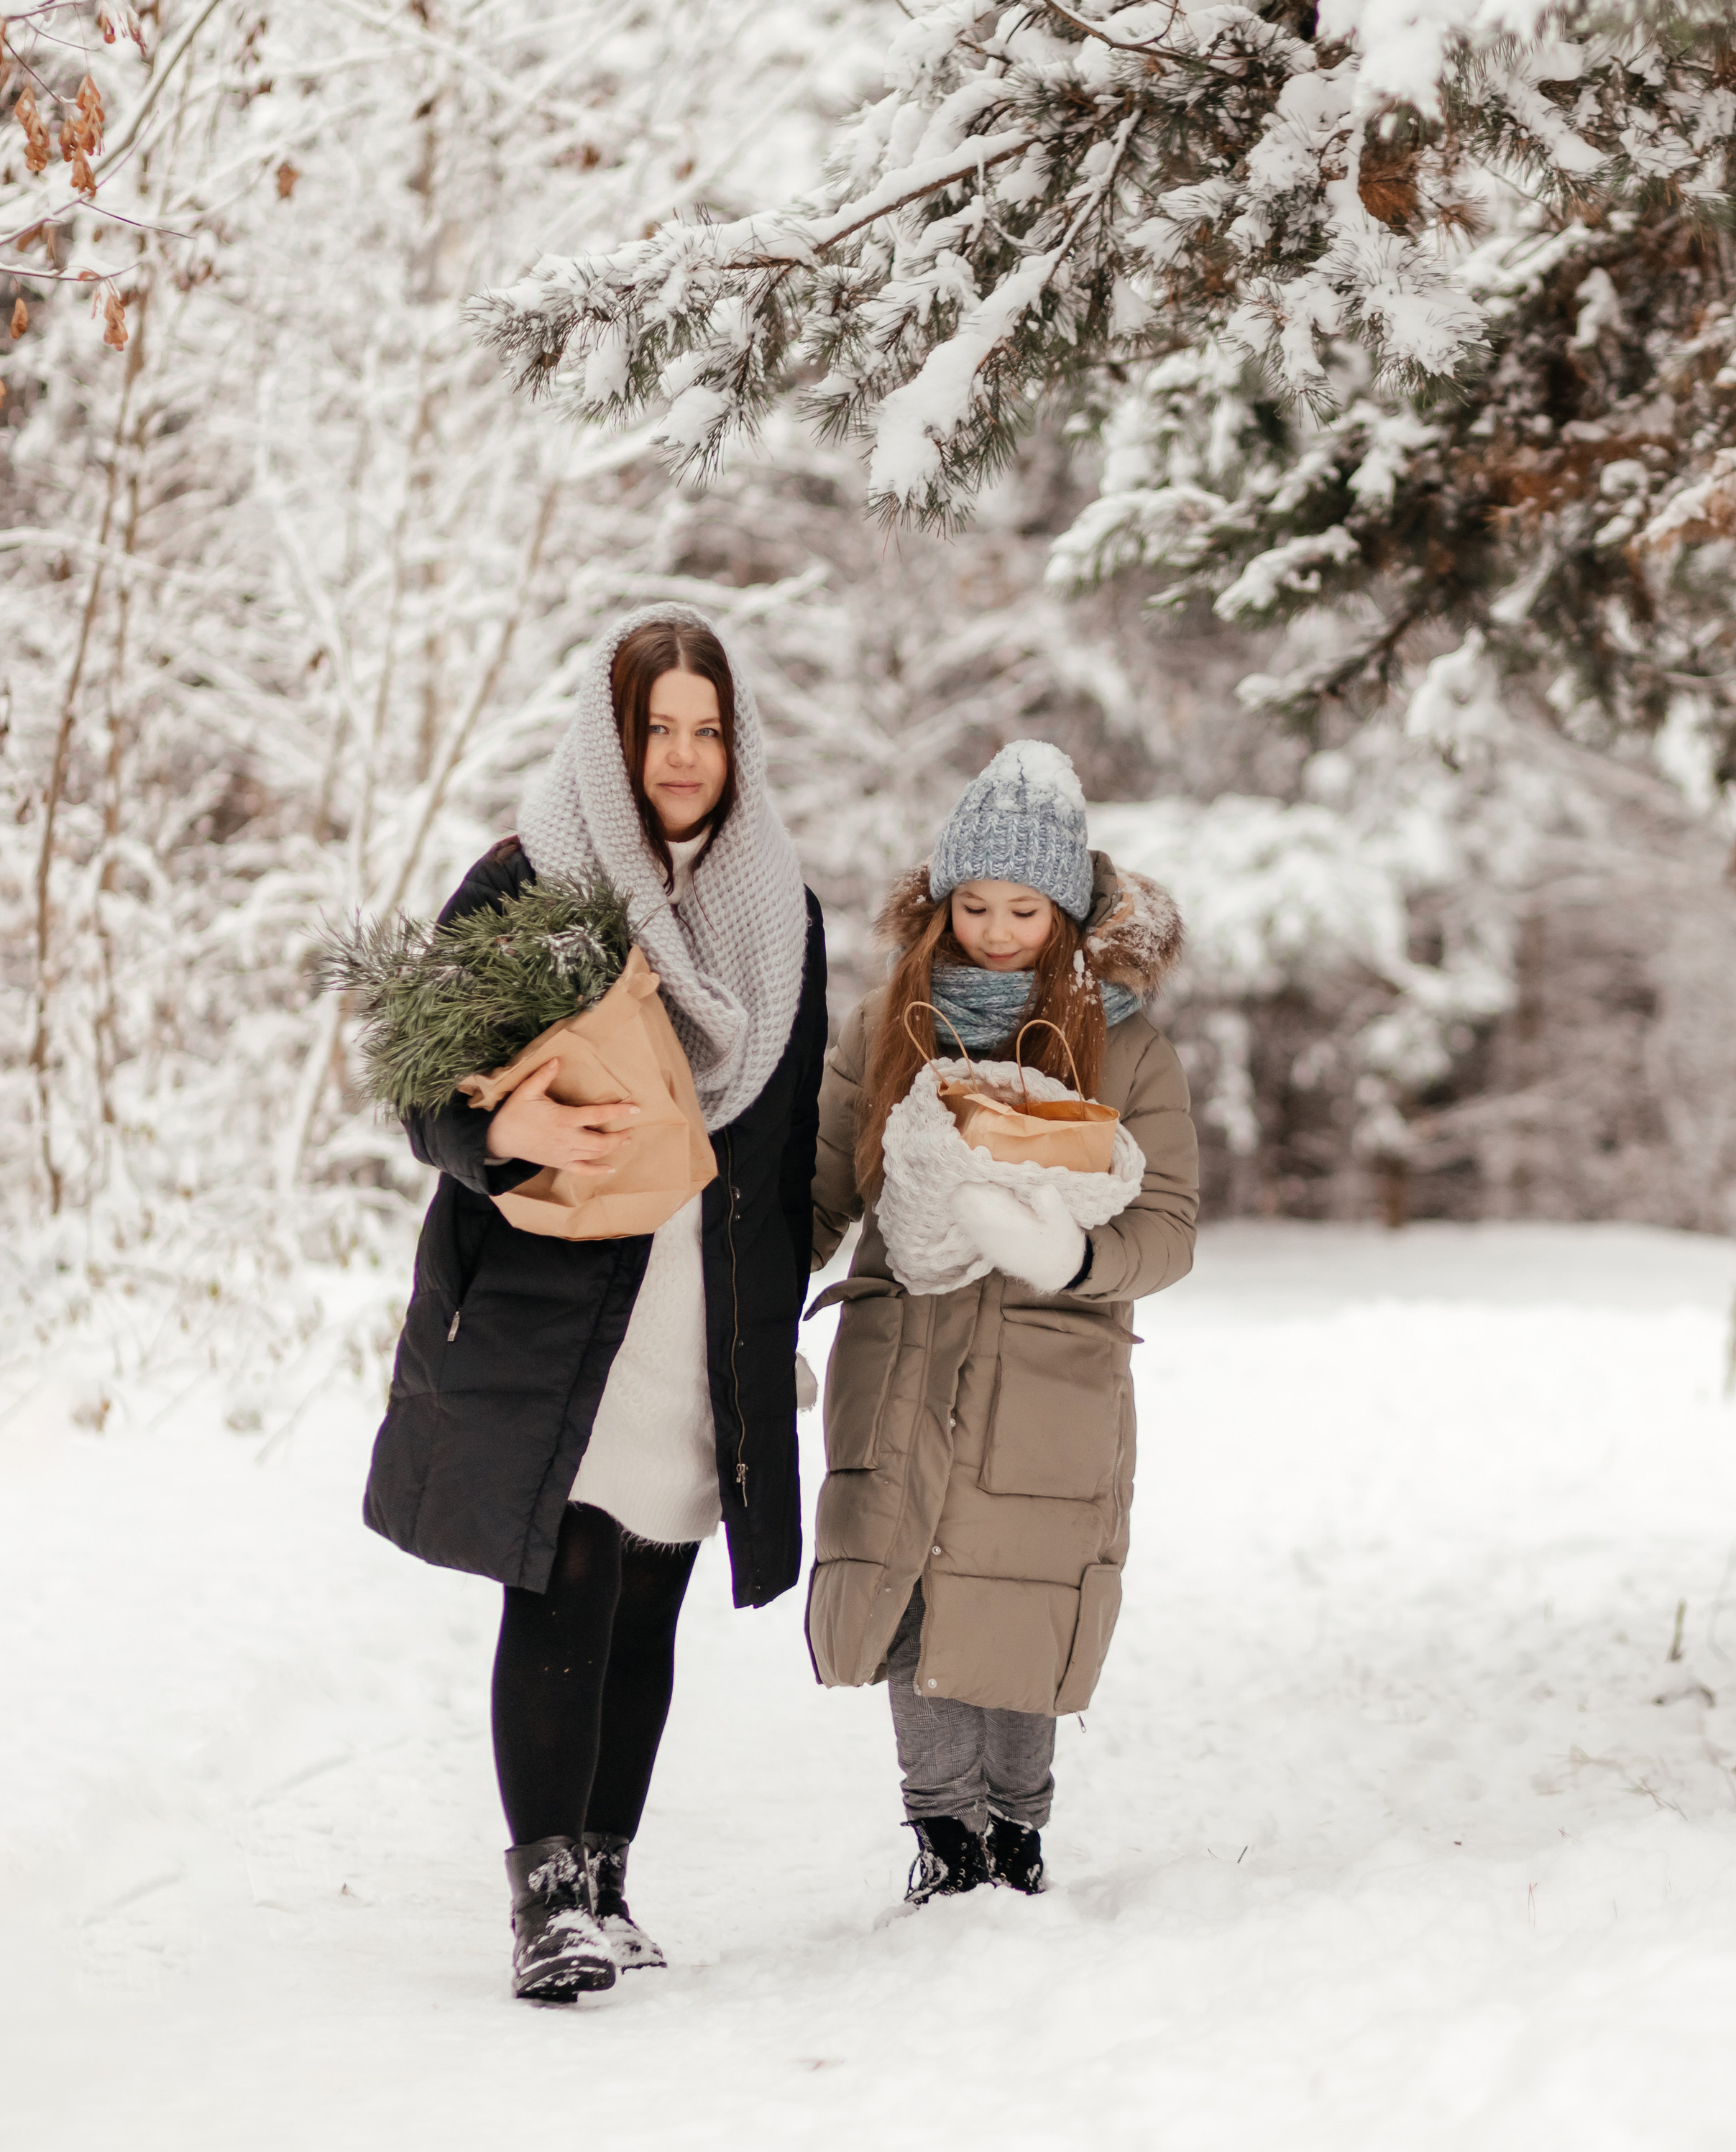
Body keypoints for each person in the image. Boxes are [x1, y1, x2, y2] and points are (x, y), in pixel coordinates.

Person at [364, 605, 826, 2001]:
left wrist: (784, 1321)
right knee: (562, 1574)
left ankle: (609, 1878)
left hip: (703, 1303)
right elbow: (417, 1086)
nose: (681, 756)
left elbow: (789, 1129)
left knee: (650, 1591)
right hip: (563, 1301)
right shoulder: (526, 881)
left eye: (705, 729)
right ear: (611, 736)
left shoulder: (778, 908)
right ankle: (544, 1895)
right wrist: (515, 1142)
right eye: (656, 728)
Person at [807, 741, 1197, 1901]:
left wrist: (1076, 1255)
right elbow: (822, 1183)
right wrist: (754, 1315)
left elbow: (1169, 1223)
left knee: (1022, 1601)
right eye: (972, 904)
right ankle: (944, 1844)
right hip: (903, 1351)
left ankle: (1017, 1840)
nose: (994, 928)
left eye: (1023, 908)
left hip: (1050, 1373)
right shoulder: (889, 1022)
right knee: (909, 1596)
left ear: (1067, 911)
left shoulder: (1125, 1042)